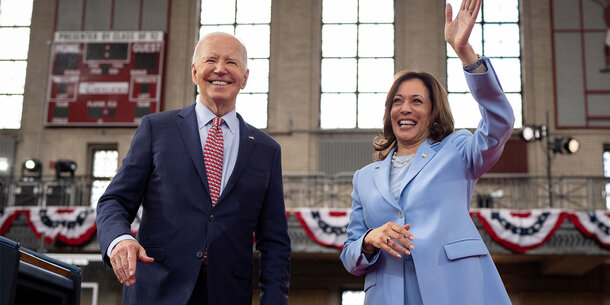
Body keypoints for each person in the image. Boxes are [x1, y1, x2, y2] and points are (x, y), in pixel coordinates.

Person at [96, 32, 291, 305]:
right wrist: (119, 239)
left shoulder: (266, 150)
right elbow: (114, 200)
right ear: (194, 71)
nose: (220, 69)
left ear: (245, 77)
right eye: (211, 59)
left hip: (227, 295)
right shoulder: (156, 129)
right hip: (156, 291)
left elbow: (275, 242)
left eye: (231, 63)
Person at [340, 0, 513, 304]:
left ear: (434, 112)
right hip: (389, 294)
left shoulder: (458, 151)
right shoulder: (364, 178)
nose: (405, 108)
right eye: (397, 101)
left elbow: (500, 122)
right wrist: (370, 240)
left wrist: (465, 54)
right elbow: (350, 254)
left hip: (455, 290)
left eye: (417, 101)